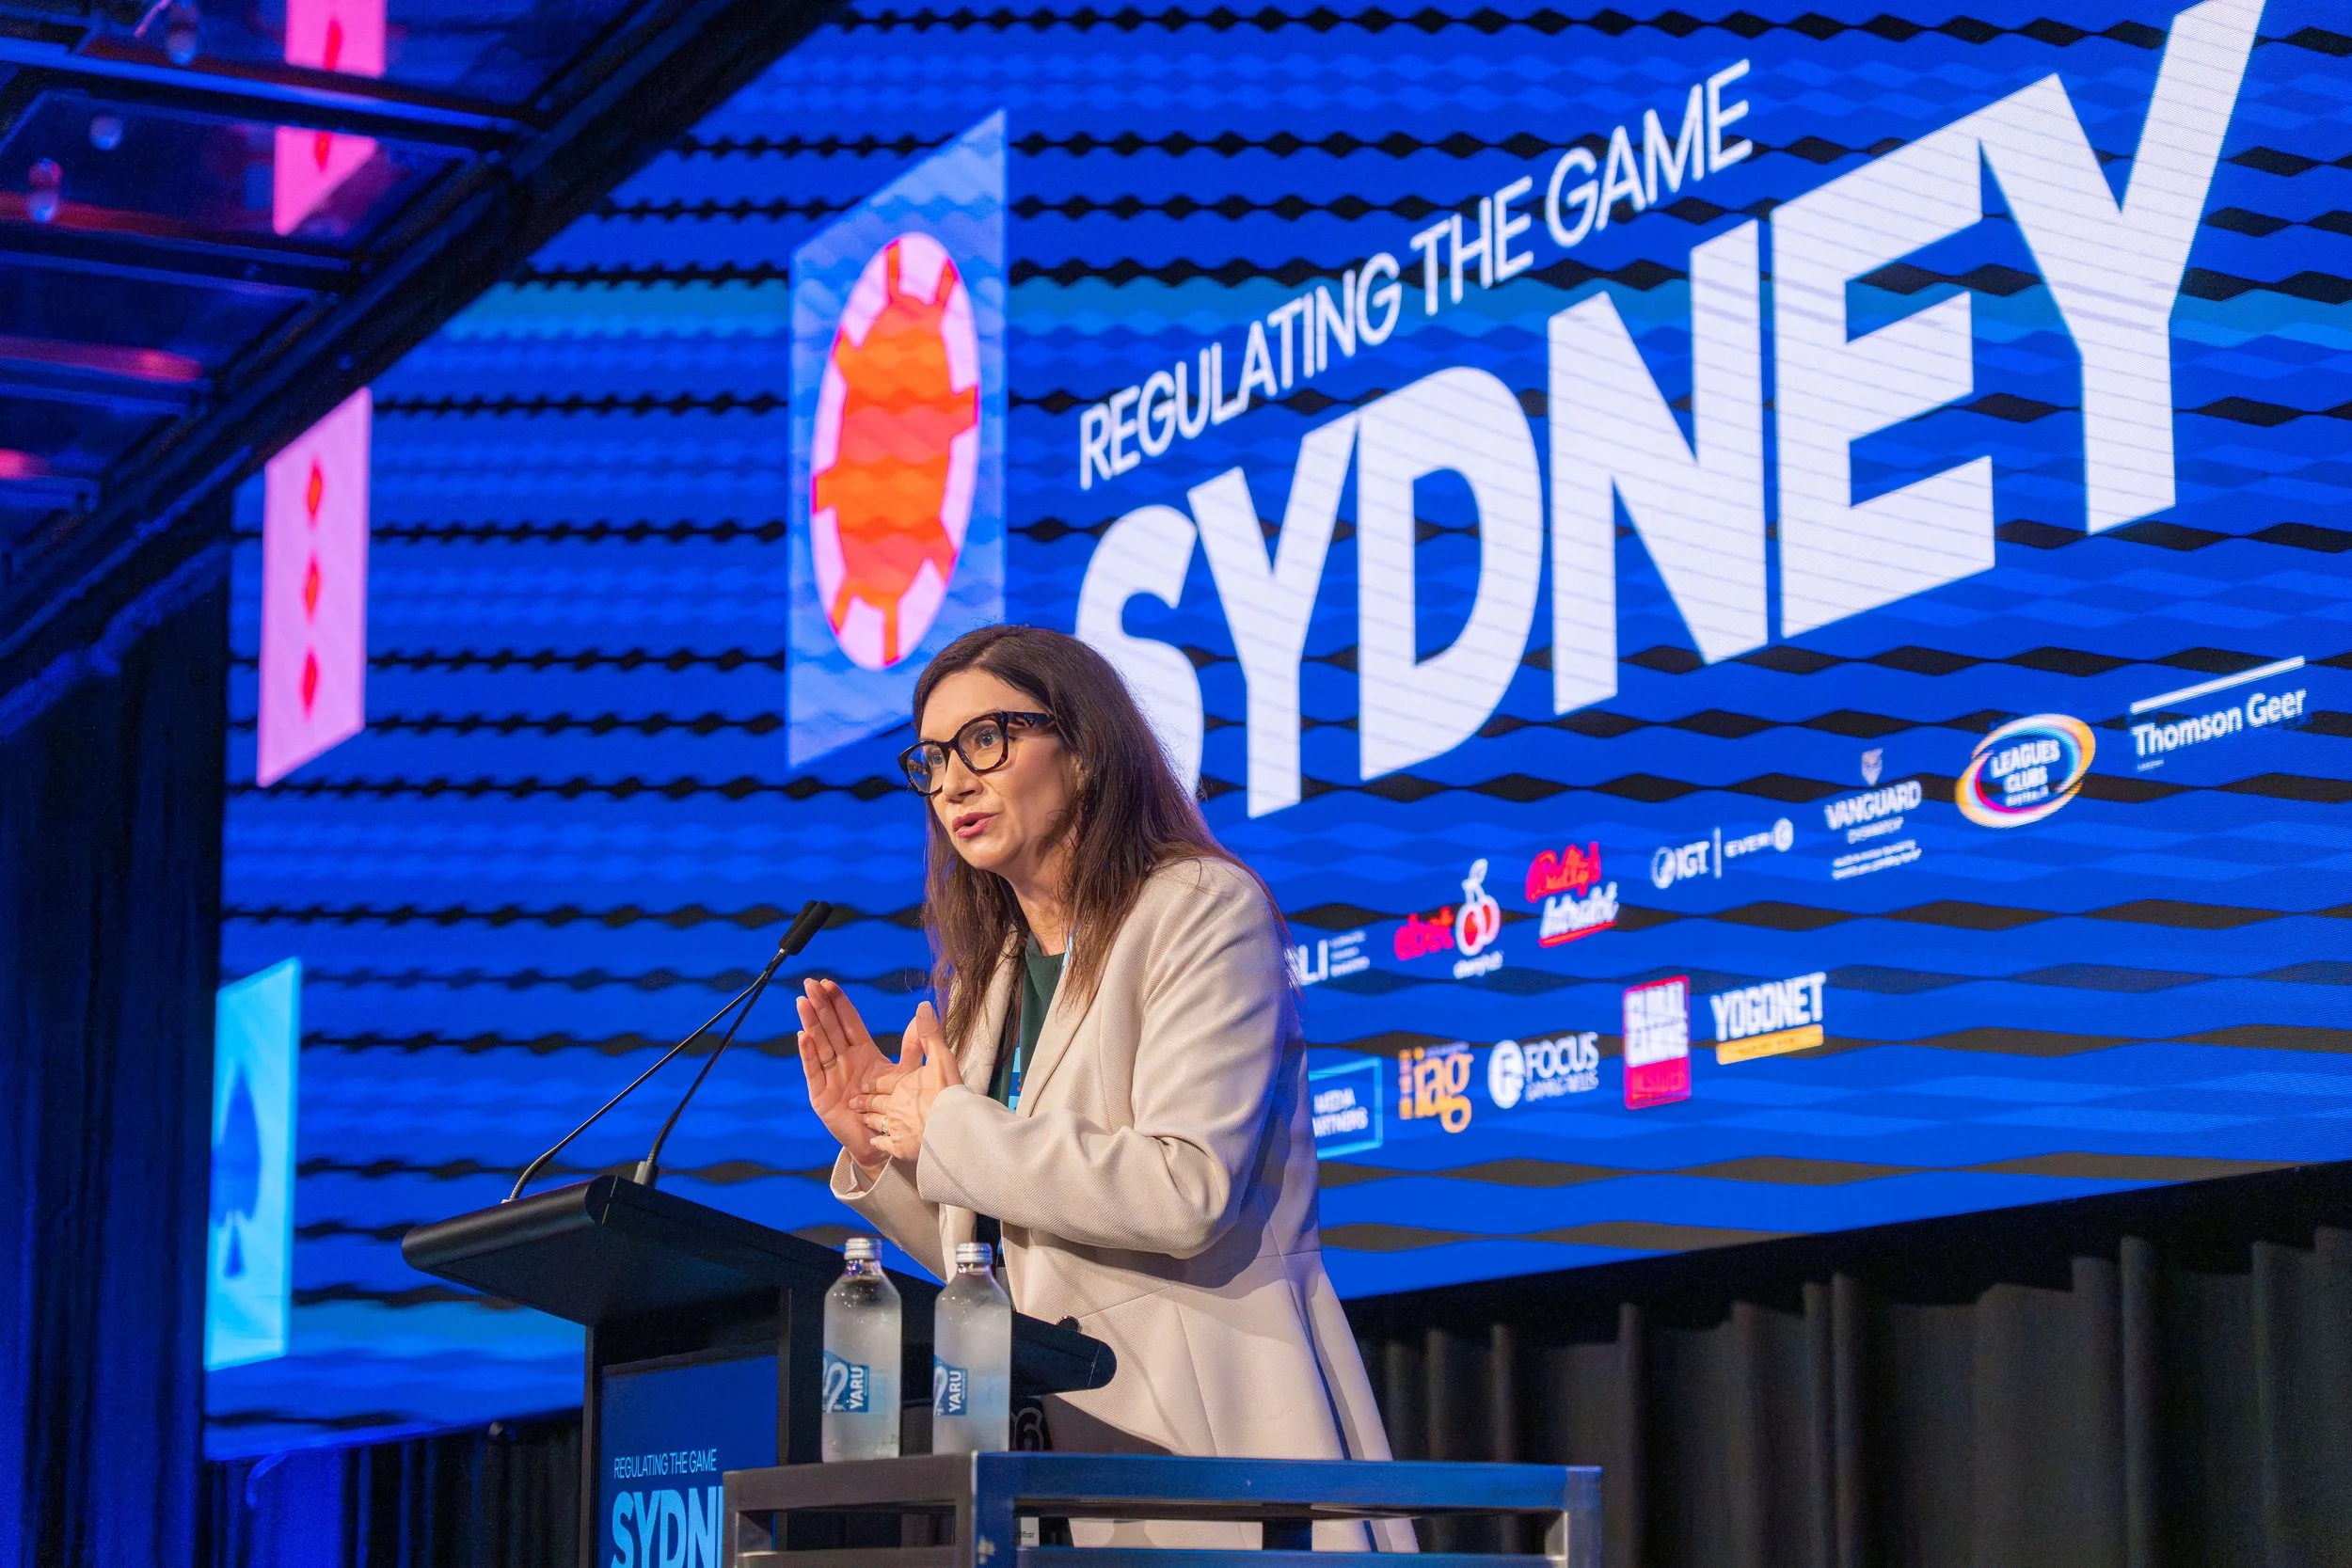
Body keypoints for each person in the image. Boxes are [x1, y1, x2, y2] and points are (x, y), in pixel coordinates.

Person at [795, 625, 1407, 1547]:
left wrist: (948, 1128)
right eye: (934, 759)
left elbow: (1185, 1187)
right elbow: (997, 1255)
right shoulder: (993, 977)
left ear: (1082, 749)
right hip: (1056, 1460)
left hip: (1209, 1435)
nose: (953, 781)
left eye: (985, 740)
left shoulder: (1199, 908)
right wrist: (887, 1148)